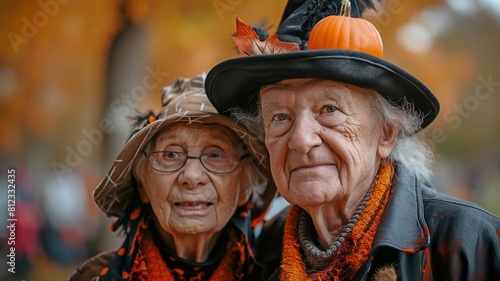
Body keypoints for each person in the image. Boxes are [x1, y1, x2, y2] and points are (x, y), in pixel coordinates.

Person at [204, 0, 500, 280]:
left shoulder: (468, 242)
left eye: (329, 109)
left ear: (385, 134)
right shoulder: (265, 248)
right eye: (279, 116)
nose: (301, 140)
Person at [69, 73, 276, 280]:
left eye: (215, 155)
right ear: (143, 187)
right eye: (171, 154)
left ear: (244, 187)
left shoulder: (275, 273)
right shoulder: (98, 277)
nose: (192, 176)